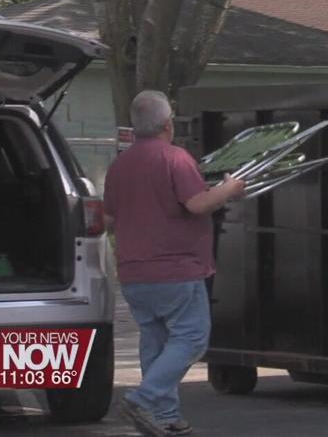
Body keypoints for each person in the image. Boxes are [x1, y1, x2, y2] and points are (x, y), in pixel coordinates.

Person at [103, 90, 245, 437]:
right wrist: (230, 189)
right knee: (192, 338)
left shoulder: (119, 165)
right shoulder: (175, 158)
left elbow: (107, 216)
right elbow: (197, 204)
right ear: (168, 124)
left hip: (135, 272)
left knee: (155, 339)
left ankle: (166, 417)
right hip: (176, 270)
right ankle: (144, 399)